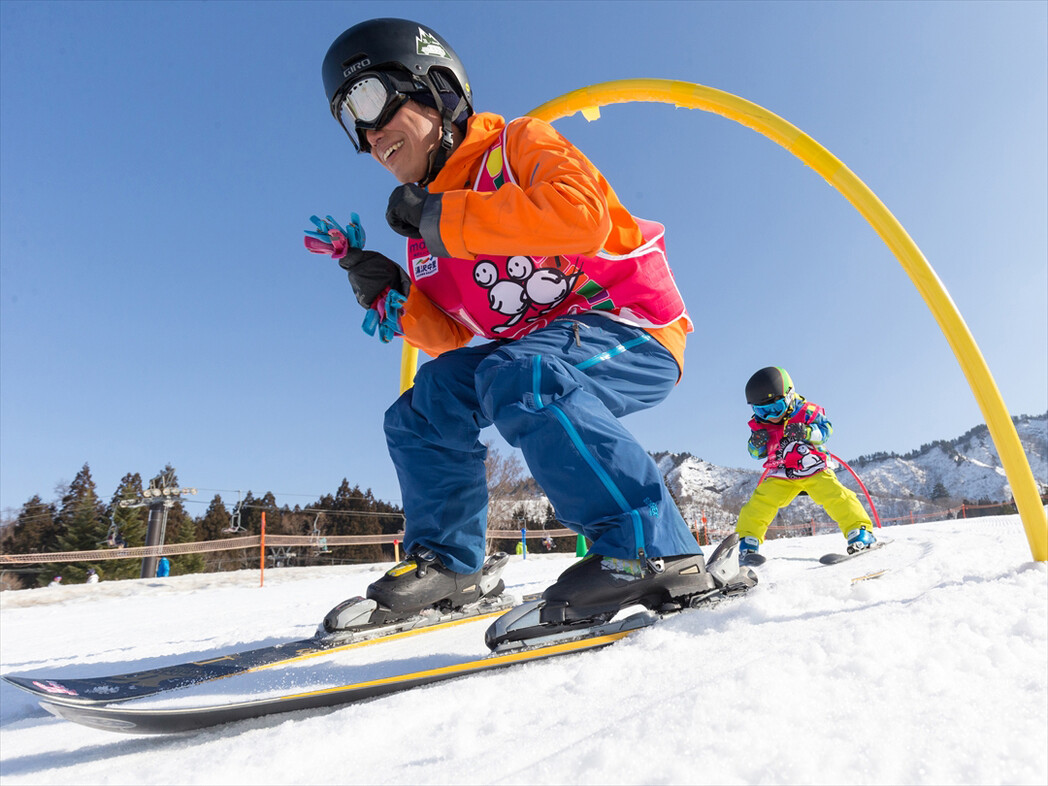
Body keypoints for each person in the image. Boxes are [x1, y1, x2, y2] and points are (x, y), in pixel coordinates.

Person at [310, 18, 709, 626]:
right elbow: (449, 336)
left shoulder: (518, 146)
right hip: (534, 350)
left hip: (629, 326)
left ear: (434, 89)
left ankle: (652, 551)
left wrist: (446, 217)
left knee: (521, 371)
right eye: (350, 121)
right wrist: (389, 293)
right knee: (424, 407)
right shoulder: (426, 232)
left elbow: (583, 219)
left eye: (369, 102)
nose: (368, 135)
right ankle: (452, 565)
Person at [735, 366, 876, 562]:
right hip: (781, 473)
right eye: (762, 411)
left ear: (789, 396)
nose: (770, 416)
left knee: (836, 496)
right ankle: (748, 541)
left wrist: (807, 432)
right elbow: (755, 454)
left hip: (813, 467)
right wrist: (756, 444)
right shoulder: (761, 425)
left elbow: (826, 431)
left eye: (775, 408)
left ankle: (859, 531)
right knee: (759, 502)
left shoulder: (807, 412)